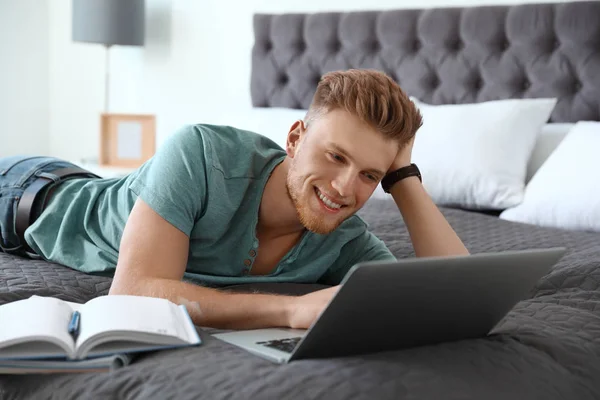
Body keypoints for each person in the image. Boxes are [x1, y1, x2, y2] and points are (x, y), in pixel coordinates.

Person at [0, 69, 468, 330]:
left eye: (369, 174)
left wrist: (403, 179)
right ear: (294, 137)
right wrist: (291, 310)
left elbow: (452, 298)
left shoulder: (344, 240)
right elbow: (134, 292)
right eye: (335, 156)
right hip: (26, 194)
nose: (345, 188)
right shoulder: (201, 153)